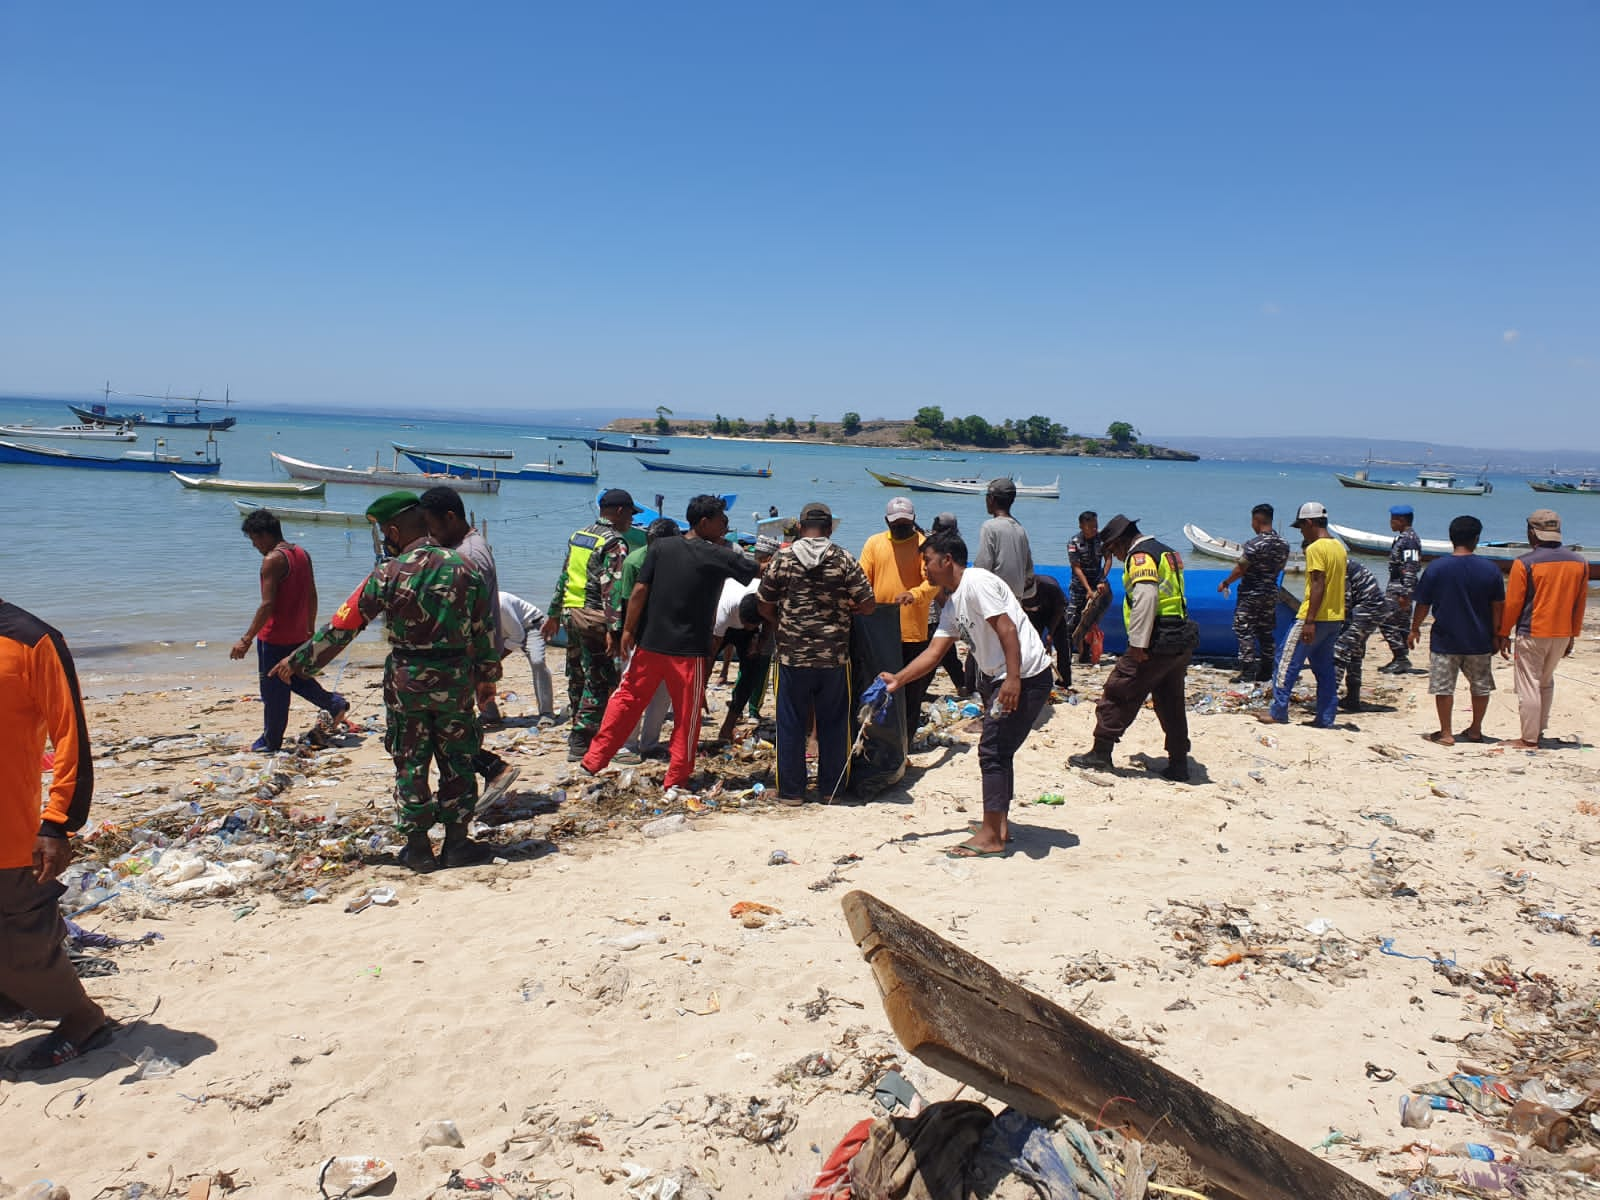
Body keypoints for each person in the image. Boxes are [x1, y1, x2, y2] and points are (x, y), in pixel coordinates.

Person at [270, 492, 499, 871]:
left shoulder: (387, 573)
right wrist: (487, 678)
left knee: (410, 762)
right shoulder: (466, 568)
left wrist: (299, 663)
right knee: (457, 760)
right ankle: (457, 844)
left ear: (393, 531)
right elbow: (485, 631)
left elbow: (344, 625)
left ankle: (419, 849)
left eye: (383, 534)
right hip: (455, 679)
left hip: (406, 680)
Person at [882, 530, 1053, 856]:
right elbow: (933, 653)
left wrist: (1012, 680)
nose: (925, 570)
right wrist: (897, 681)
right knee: (999, 751)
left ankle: (992, 836)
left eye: (928, 562)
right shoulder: (953, 601)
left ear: (947, 560)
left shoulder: (976, 582)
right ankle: (998, 826)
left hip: (1024, 676)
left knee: (991, 751)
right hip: (999, 678)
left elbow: (1007, 628)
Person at [0, 597, 114, 1071]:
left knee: (23, 943)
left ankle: (82, 1018)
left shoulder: (32, 639)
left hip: (9, 832)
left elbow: (71, 736)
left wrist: (57, 822)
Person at [583, 495, 757, 786]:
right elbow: (758, 571)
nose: (726, 526)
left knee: (626, 700)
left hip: (649, 643)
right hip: (689, 651)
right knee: (686, 718)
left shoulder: (661, 547)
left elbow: (639, 591)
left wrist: (628, 630)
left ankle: (594, 760)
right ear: (704, 522)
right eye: (721, 521)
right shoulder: (719, 555)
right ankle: (676, 777)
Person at [758, 501, 876, 804]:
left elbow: (763, 604)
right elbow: (868, 604)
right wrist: (844, 611)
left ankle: (792, 792)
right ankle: (831, 790)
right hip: (833, 656)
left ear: (800, 527)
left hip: (791, 656)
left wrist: (782, 623)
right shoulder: (843, 558)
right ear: (829, 528)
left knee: (790, 723)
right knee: (835, 723)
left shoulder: (782, 558)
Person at [1068, 515, 1194, 781]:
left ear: (1123, 541)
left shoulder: (1141, 556)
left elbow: (1146, 598)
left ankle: (1100, 753)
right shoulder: (1166, 551)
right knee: (1171, 701)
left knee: (1118, 688)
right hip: (1179, 636)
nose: (1117, 555)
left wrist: (1138, 644)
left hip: (1156, 640)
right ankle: (1179, 762)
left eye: (1114, 549)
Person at [420, 487, 520, 808]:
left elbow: (470, 616)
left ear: (450, 518)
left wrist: (483, 670)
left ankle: (486, 773)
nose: (429, 534)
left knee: (442, 726)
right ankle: (483, 773)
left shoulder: (469, 556)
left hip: (463, 657)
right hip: (463, 655)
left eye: (432, 526)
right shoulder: (465, 547)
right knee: (443, 726)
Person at [231, 508, 348, 753]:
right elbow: (312, 594)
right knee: (295, 678)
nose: (254, 546)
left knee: (274, 691)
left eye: (254, 539)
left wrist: (246, 639)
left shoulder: (272, 560)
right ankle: (334, 703)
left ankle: (271, 741)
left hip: (274, 636)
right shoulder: (301, 553)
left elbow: (267, 604)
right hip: (297, 634)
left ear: (264, 535)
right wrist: (310, 629)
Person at [542, 490, 637, 761]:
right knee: (599, 676)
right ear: (619, 511)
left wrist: (553, 613)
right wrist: (615, 630)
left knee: (577, 673)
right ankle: (581, 739)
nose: (631, 520)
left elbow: (564, 576)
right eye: (630, 513)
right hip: (595, 617)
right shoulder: (614, 542)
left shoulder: (580, 535)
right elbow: (613, 589)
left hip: (571, 614)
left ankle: (577, 726)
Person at [1408, 515, 1505, 746]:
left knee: (1444, 687)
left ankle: (1446, 732)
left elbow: (1423, 604)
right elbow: (1498, 606)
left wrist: (1414, 628)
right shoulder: (1490, 570)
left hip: (1445, 639)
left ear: (1451, 538)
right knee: (1480, 687)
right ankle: (1475, 730)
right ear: (1477, 539)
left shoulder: (1437, 568)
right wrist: (1499, 634)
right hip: (1479, 639)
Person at [1497, 508, 1589, 750]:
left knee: (1529, 684)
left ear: (1532, 533)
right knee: (1546, 682)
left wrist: (1503, 632)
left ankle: (1528, 738)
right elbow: (1580, 603)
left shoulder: (1524, 563)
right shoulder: (1580, 563)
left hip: (1532, 631)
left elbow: (1514, 603)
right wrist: (1573, 635)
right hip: (1562, 632)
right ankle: (1538, 731)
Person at [1257, 502, 1346, 729]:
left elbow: (1318, 584)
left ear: (1310, 523)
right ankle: (1325, 717)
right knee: (1325, 669)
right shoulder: (1339, 547)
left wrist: (1309, 621)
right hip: (1335, 617)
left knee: (1285, 662)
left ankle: (1278, 711)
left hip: (1313, 617)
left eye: (1301, 527)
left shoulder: (1316, 549)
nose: (1301, 533)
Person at [859, 498, 940, 727]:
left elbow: (933, 583)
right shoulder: (874, 544)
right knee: (879, 685)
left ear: (914, 520)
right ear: (887, 521)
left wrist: (914, 594)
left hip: (913, 632)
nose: (902, 527)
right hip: (880, 630)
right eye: (897, 523)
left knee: (912, 692)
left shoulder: (924, 545)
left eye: (906, 523)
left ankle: (907, 739)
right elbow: (862, 578)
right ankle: (879, 734)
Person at [614, 518, 681, 764]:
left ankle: (650, 743)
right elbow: (626, 601)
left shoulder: (681, 561)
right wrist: (625, 633)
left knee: (663, 694)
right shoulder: (635, 561)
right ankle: (626, 745)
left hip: (669, 637)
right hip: (641, 636)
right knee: (632, 691)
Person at [709, 536, 779, 743]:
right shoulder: (723, 611)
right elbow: (711, 651)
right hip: (723, 625)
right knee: (703, 665)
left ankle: (728, 726)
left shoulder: (765, 598)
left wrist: (759, 642)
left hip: (750, 620)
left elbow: (769, 622)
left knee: (751, 672)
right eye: (748, 625)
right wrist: (701, 686)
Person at [1217, 503, 1289, 683]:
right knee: (1265, 630)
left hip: (1251, 594)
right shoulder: (1284, 545)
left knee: (1244, 629)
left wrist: (1226, 582)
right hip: (1271, 592)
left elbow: (1241, 569)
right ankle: (1266, 669)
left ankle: (1248, 670)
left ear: (1257, 520)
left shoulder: (1253, 545)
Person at [1333, 559, 1390, 713]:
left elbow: (1345, 601)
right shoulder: (1343, 562)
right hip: (1373, 608)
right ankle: (1353, 698)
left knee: (1340, 650)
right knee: (1355, 652)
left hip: (1368, 608)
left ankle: (1327, 699)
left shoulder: (1338, 565)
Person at [498, 592, 557, 726]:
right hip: (504, 630)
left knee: (538, 662)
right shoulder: (474, 606)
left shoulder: (500, 603)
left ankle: (547, 713)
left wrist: (498, 659)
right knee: (483, 664)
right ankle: (489, 713)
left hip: (531, 625)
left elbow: (517, 636)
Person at [1379, 505, 1423, 673]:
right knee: (1401, 623)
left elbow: (1411, 566)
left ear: (1402, 520)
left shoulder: (1409, 540)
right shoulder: (1405, 538)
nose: (1391, 523)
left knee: (1384, 619)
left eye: (1393, 520)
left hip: (1400, 587)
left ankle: (1400, 657)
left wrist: (1405, 593)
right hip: (1399, 585)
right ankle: (1401, 658)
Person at [975, 479, 1035, 601]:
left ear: (991, 499)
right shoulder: (1020, 529)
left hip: (995, 599)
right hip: (1016, 601)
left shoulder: (990, 526)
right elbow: (1029, 572)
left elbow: (982, 567)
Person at [1065, 511, 1105, 665]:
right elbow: (1076, 568)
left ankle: (1085, 654)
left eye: (1096, 526)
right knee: (1071, 621)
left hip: (1097, 586)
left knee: (1090, 622)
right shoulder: (1074, 542)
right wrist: (1088, 589)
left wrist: (1102, 579)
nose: (1094, 529)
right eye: (1090, 526)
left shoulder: (1100, 540)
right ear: (1082, 526)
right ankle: (1066, 655)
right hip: (1079, 588)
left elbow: (1108, 558)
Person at [1019, 572, 1072, 687]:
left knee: (1062, 645)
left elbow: (1059, 609)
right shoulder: (1016, 588)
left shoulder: (1051, 587)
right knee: (1031, 645)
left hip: (1054, 613)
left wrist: (1050, 634)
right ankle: (1032, 677)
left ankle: (1064, 680)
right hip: (1033, 615)